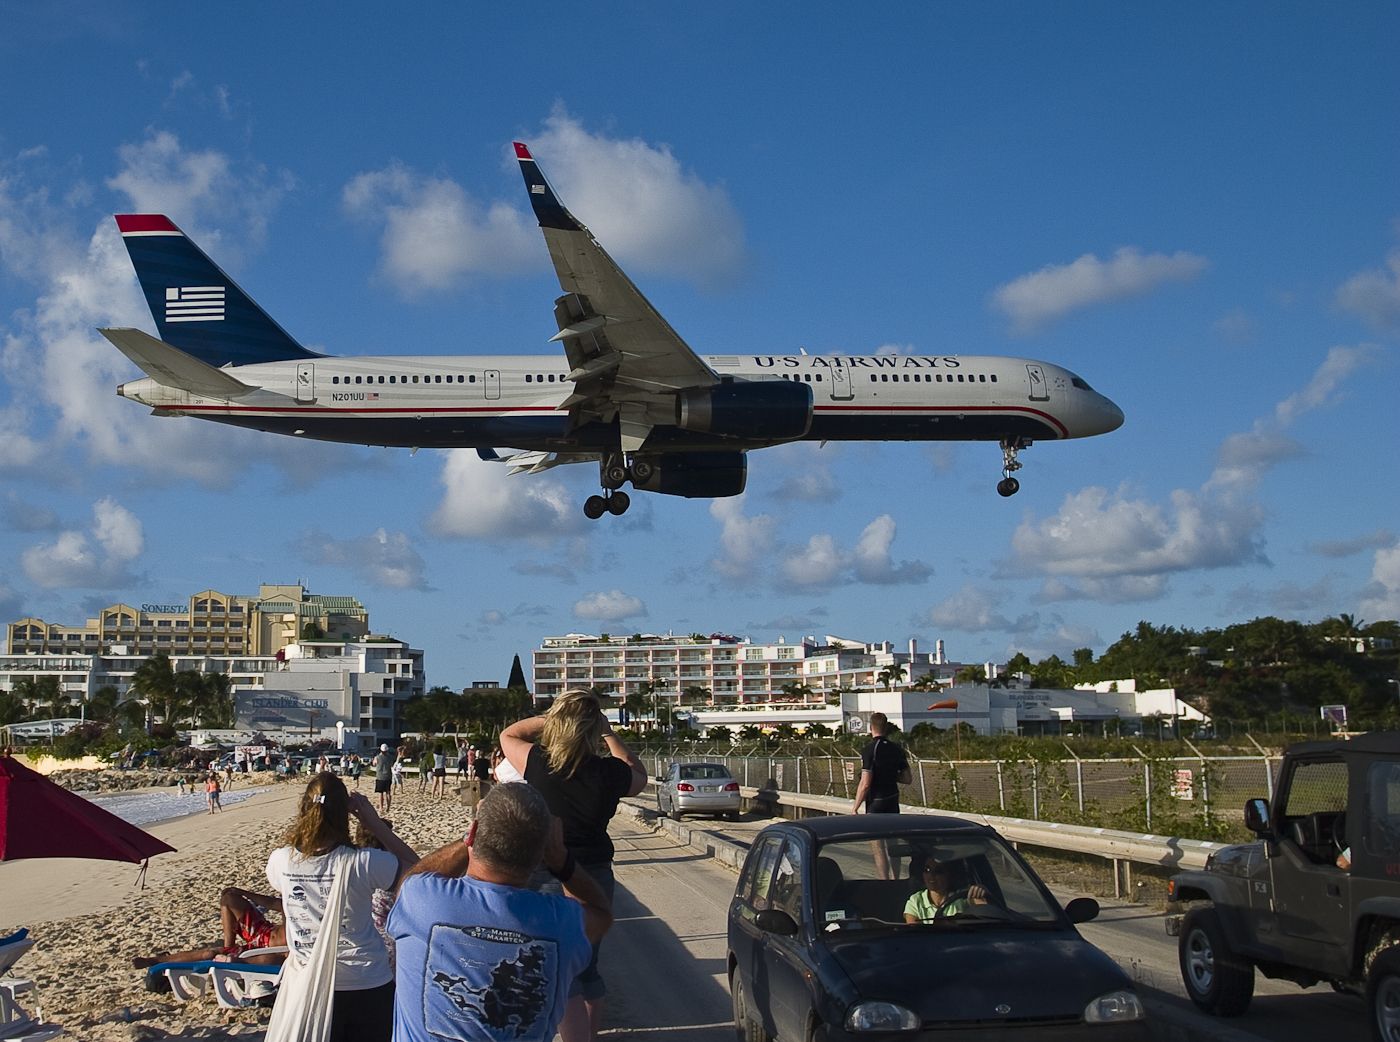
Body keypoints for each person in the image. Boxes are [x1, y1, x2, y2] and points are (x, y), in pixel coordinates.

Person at [388, 782, 611, 1042]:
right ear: (542, 855)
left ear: (473, 834)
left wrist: (468, 839)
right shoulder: (563, 923)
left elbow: (411, 879)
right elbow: (601, 912)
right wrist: (562, 860)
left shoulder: (422, 899)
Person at [500, 690, 646, 1041]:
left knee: (555, 965)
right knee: (587, 966)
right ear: (592, 728)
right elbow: (637, 774)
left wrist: (551, 718)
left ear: (559, 724)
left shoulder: (539, 762)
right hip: (593, 873)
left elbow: (509, 734)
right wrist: (608, 732)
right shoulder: (609, 772)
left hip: (545, 870)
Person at [265, 772, 419, 1041]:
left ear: (303, 809)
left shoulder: (281, 861)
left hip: (308, 985)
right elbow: (417, 871)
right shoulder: (364, 862)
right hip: (365, 980)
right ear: (344, 815)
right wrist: (372, 822)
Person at [133, 886, 287, 968]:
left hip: (269, 949)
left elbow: (279, 905)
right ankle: (229, 946)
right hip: (264, 931)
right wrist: (242, 893)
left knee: (208, 954)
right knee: (229, 898)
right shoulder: (295, 896)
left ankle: (157, 960)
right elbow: (278, 904)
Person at [852, 712, 912, 815]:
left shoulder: (870, 749)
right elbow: (907, 779)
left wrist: (855, 808)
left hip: (876, 801)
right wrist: (890, 775)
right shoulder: (897, 749)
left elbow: (865, 783)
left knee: (875, 829)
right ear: (886, 728)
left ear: (871, 727)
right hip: (892, 799)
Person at [904, 859, 989, 921]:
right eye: (927, 870)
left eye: (938, 871)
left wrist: (980, 893)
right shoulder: (915, 901)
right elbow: (914, 933)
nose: (931, 875)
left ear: (949, 874)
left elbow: (987, 918)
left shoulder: (964, 898)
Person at [373, 743, 395, 813]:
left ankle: (381, 807)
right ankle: (388, 807)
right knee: (388, 792)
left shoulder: (377, 757)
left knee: (381, 793)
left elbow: (374, 764)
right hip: (388, 776)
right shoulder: (390, 757)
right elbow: (392, 765)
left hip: (380, 777)